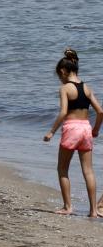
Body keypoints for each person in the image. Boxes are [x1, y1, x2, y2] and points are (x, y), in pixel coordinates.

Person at [44, 48, 103, 217]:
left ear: (63, 71)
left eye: (59, 76)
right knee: (88, 171)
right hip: (86, 128)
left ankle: (68, 207)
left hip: (72, 129)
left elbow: (63, 112)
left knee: (62, 168)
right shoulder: (87, 87)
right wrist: (95, 130)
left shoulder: (65, 89)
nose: (60, 79)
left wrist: (51, 132)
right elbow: (100, 112)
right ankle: (93, 210)